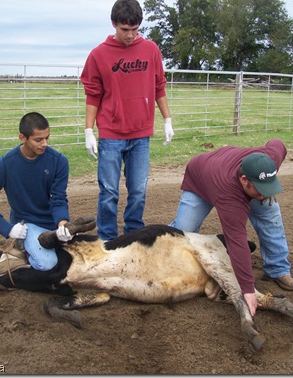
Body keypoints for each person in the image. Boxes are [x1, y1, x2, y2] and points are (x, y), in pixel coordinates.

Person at [169, 139, 293, 317]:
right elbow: (236, 241)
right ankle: (159, 240)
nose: (266, 192)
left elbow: (278, 143)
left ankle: (278, 269)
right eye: (262, 188)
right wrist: (248, 289)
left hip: (226, 168)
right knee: (184, 229)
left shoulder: (270, 158)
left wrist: (265, 189)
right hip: (200, 177)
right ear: (244, 180)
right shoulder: (229, 197)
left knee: (270, 216)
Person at [80, 0, 174, 241]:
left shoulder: (151, 49)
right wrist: (89, 130)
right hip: (111, 135)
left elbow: (159, 87)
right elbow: (93, 94)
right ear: (114, 24)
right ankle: (108, 238)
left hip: (141, 135)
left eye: (135, 29)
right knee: (109, 192)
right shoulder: (98, 55)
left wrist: (167, 120)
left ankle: (133, 234)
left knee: (138, 191)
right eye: (125, 30)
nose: (131, 35)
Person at [0, 112, 73, 272]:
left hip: (51, 224)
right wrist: (7, 229)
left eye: (47, 138)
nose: (45, 144)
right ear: (22, 137)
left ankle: (28, 252)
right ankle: (19, 257)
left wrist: (62, 223)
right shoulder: (5, 164)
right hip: (26, 226)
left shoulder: (59, 161)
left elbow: (58, 198)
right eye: (38, 139)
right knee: (47, 264)